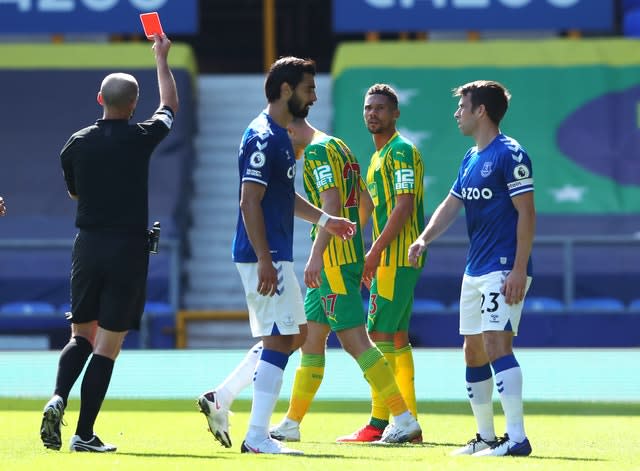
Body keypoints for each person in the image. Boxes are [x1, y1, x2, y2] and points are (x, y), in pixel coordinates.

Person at [197, 56, 356, 455]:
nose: (315, 96)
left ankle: (223, 397)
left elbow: (283, 197)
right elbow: (249, 201)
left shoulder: (279, 136)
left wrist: (324, 220)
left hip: (273, 252)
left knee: (295, 334)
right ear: (286, 90)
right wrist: (265, 258)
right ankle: (256, 436)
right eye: (308, 88)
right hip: (263, 254)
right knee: (283, 336)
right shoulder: (264, 137)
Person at [39, 34, 179, 453]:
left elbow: (75, 194)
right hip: (128, 248)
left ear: (99, 97)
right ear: (133, 105)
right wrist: (161, 58)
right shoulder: (142, 136)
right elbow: (170, 106)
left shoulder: (77, 143)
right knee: (109, 344)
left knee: (80, 334)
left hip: (88, 245)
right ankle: (83, 434)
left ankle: (57, 396)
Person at [267, 117, 421, 445]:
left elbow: (331, 204)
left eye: (284, 143)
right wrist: (352, 238)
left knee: (357, 342)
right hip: (341, 256)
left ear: (290, 129)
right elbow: (363, 203)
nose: (285, 152)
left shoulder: (317, 152)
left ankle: (403, 418)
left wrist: (316, 256)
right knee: (311, 339)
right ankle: (292, 422)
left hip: (332, 262)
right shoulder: (340, 146)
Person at [408, 80, 535, 457]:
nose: (457, 113)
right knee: (473, 351)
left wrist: (518, 269)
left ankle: (517, 438)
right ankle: (485, 437)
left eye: (462, 105)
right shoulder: (470, 157)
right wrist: (423, 239)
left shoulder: (511, 154)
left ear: (481, 110)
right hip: (475, 268)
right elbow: (450, 204)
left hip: (502, 266)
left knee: (497, 344)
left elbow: (526, 213)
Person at [338, 83, 425, 443]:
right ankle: (408, 420)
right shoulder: (377, 158)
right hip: (393, 258)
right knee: (398, 337)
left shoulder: (401, 151)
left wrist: (373, 252)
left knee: (376, 337)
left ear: (395, 114)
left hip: (395, 257)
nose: (372, 113)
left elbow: (403, 207)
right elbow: (370, 208)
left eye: (380, 108)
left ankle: (379, 422)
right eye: (367, 108)